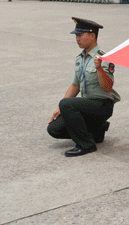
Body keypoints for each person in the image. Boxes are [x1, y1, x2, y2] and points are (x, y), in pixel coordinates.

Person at [48, 18, 120, 157]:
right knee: (54, 129)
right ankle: (97, 130)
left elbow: (107, 87)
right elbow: (75, 85)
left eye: (80, 35)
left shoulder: (103, 57)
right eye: (76, 36)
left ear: (92, 36)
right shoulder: (80, 58)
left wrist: (99, 69)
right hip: (86, 106)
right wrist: (60, 108)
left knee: (67, 104)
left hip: (101, 105)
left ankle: (86, 145)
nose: (77, 39)